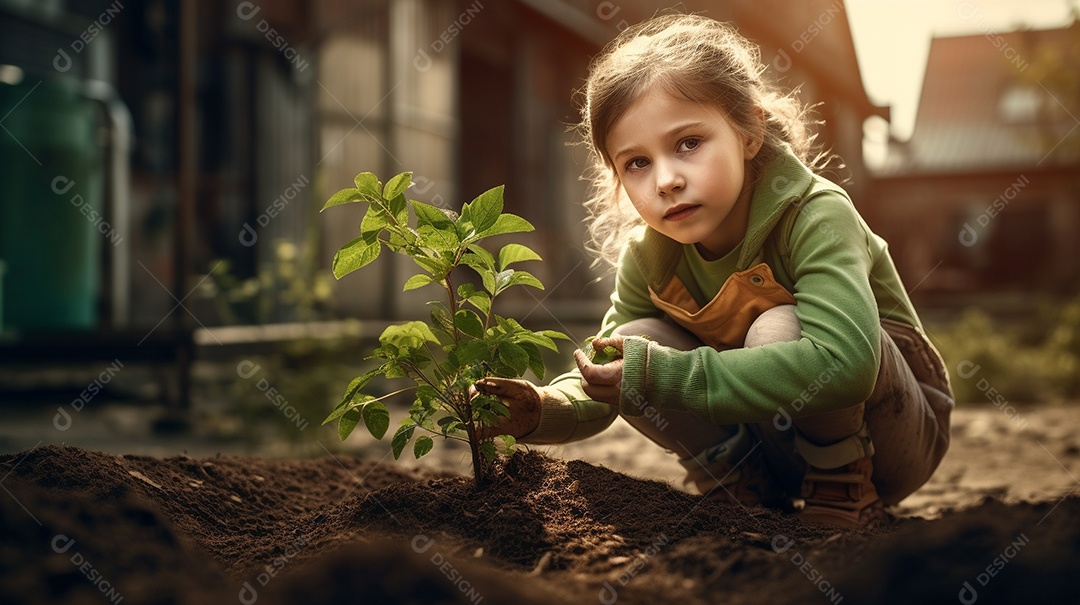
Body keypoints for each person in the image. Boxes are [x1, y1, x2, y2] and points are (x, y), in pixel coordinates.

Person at [475, 13, 953, 527]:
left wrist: (665, 376)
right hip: (772, 446)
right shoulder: (650, 254)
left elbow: (847, 365)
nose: (666, 180)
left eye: (688, 143)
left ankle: (841, 481)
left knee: (775, 329)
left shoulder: (817, 214)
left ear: (749, 132)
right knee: (634, 342)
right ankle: (738, 481)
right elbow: (609, 371)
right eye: (636, 163)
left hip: (893, 440)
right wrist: (543, 408)